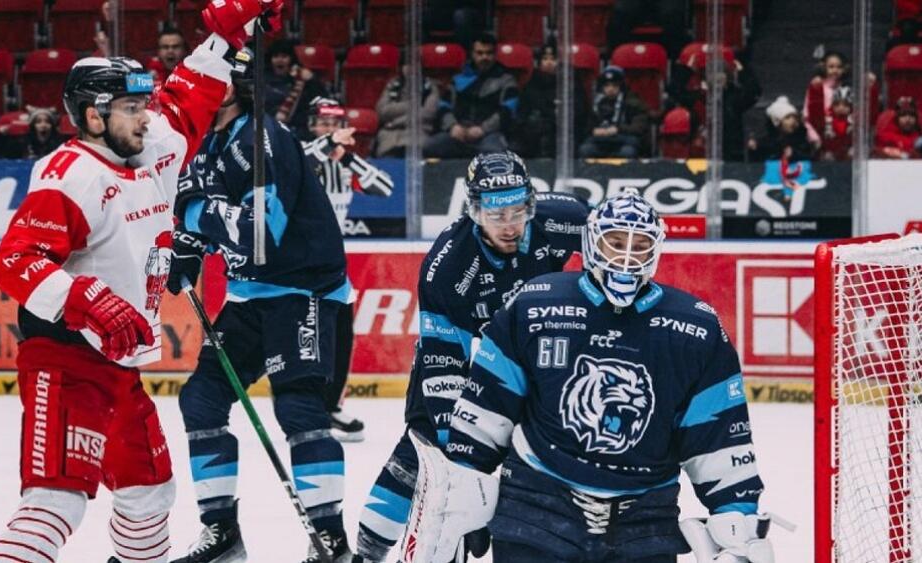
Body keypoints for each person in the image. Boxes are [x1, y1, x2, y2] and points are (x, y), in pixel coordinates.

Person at [0, 1, 283, 562]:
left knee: (149, 494)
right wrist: (85, 298)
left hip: (119, 368)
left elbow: (188, 97)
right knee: (56, 501)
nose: (145, 117)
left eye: (142, 104)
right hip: (66, 361)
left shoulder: (152, 148)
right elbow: (17, 261)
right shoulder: (70, 176)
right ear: (93, 117)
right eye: (129, 108)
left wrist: (229, 36)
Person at [405, 189, 780, 563]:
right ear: (592, 243)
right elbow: (488, 405)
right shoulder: (534, 306)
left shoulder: (696, 330)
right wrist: (463, 485)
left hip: (644, 526)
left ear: (656, 250)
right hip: (535, 513)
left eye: (640, 246)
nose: (627, 257)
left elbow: (719, 437)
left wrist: (737, 517)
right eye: (615, 243)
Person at [351, 152, 590, 563]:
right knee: (422, 450)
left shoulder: (564, 218)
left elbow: (616, 243)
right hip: (468, 364)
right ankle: (366, 555)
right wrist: (460, 470)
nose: (510, 225)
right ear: (474, 211)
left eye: (518, 212)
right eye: (496, 216)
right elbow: (443, 361)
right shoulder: (448, 265)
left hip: (534, 361)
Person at [166, 52, 354, 563]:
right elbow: (206, 216)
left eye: (205, 83)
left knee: (298, 408)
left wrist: (195, 215)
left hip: (302, 292)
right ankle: (222, 532)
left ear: (232, 87)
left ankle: (330, 540)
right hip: (250, 295)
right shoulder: (207, 142)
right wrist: (188, 247)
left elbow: (258, 235)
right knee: (201, 399)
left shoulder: (262, 138)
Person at [302, 96, 394, 442]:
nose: (329, 128)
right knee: (307, 338)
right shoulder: (298, 154)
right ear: (312, 125)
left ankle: (330, 406)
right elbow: (300, 162)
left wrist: (349, 158)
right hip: (298, 260)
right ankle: (305, 407)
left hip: (332, 262)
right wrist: (328, 144)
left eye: (335, 123)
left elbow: (385, 188)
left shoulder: (344, 165)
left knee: (341, 333)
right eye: (323, 123)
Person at [424, 33, 519, 158]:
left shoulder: (506, 80)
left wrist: (482, 129)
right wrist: (452, 126)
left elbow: (508, 111)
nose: (484, 57)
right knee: (428, 148)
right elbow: (444, 106)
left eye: (489, 53)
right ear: (472, 54)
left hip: (489, 134)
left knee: (495, 155)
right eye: (480, 53)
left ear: (495, 55)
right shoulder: (459, 77)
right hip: (459, 133)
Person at [511, 40, 588, 158]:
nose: (549, 62)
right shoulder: (532, 84)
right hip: (537, 135)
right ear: (539, 62)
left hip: (565, 132)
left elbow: (580, 108)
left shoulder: (571, 82)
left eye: (553, 59)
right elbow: (523, 114)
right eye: (545, 59)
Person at [264, 39, 331, 140]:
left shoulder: (302, 79)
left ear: (291, 60)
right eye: (276, 56)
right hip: (269, 129)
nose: (279, 60)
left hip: (299, 131)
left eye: (284, 56)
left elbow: (322, 98)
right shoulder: (262, 80)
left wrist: (312, 80)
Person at [579, 66, 650, 158]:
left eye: (614, 85)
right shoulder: (596, 103)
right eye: (607, 85)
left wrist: (618, 129)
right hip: (600, 141)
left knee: (628, 152)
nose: (610, 89)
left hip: (624, 140)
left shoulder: (633, 103)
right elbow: (586, 126)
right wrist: (593, 130)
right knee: (586, 150)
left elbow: (639, 127)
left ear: (621, 86)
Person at [375, 64, 441, 157]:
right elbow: (382, 110)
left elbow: (428, 114)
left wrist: (395, 121)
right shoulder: (393, 85)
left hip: (418, 133)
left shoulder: (430, 87)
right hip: (390, 134)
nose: (410, 69)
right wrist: (412, 105)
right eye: (406, 65)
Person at [747, 95, 817, 161]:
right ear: (778, 122)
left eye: (795, 117)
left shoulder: (802, 139)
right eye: (787, 117)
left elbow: (811, 157)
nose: (793, 121)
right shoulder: (767, 141)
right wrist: (754, 149)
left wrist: (795, 154)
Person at [0, 106, 66, 159]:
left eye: (47, 122)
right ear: (33, 125)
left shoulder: (61, 145)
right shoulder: (22, 143)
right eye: (38, 122)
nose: (43, 125)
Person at [808, 85, 853, 161]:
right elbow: (814, 113)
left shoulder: (856, 121)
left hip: (849, 160)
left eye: (845, 105)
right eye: (837, 104)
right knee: (827, 156)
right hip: (829, 160)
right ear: (832, 105)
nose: (841, 108)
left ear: (851, 107)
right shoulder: (826, 120)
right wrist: (816, 91)